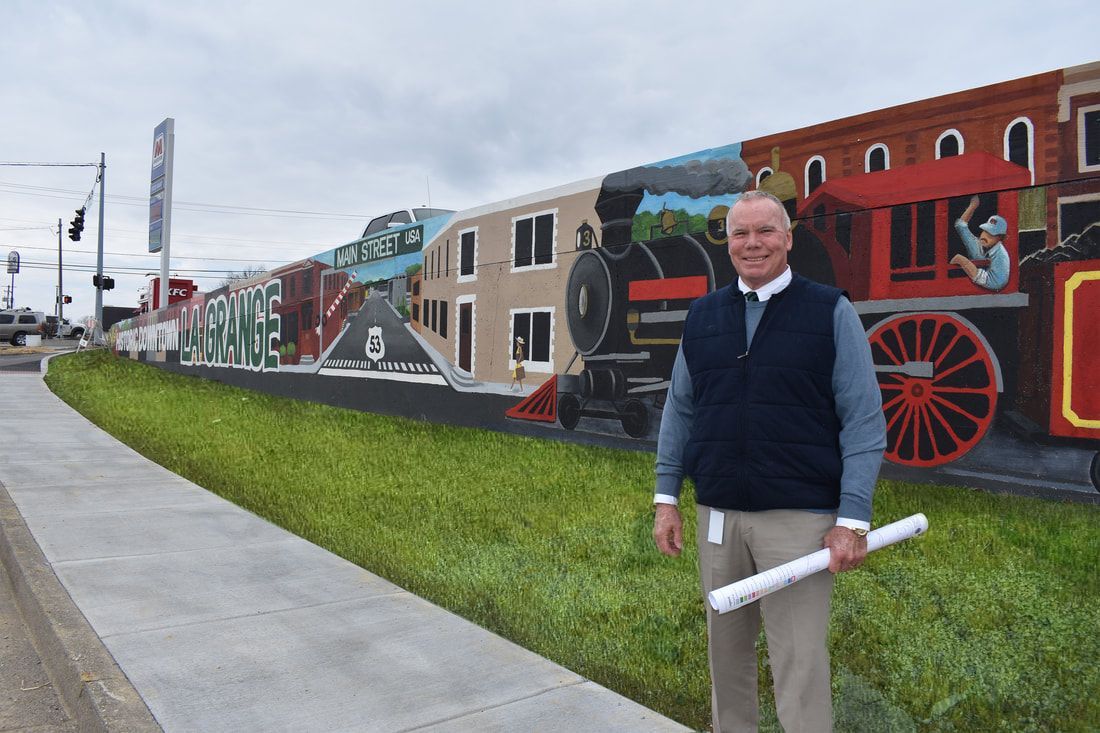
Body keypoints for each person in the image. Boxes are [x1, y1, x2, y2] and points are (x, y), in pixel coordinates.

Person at [652, 190, 886, 732]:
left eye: (765, 232)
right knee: (725, 658)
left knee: (800, 664)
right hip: (718, 518)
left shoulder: (829, 310)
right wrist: (667, 499)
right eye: (740, 233)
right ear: (728, 242)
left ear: (787, 238)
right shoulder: (704, 315)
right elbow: (680, 411)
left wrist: (852, 519)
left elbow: (864, 420)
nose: (752, 244)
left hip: (799, 523)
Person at [949, 195, 1010, 291]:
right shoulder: (979, 243)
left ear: (1000, 239)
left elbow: (996, 283)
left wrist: (964, 262)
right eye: (985, 231)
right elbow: (960, 226)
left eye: (991, 234)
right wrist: (973, 206)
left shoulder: (1001, 256)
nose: (985, 236)